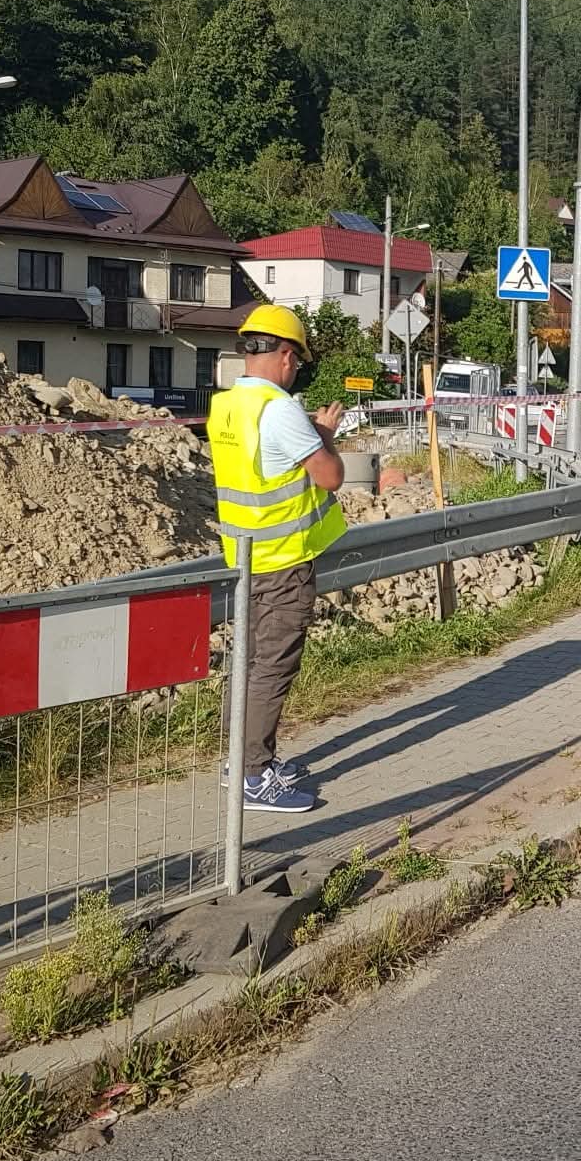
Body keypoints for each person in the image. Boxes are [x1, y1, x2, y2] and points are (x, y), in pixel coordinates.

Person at [208, 305, 350, 813]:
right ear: (287, 356)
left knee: (247, 663)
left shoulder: (226, 406)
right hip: (283, 560)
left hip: (245, 555)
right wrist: (324, 433)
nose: (296, 370)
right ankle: (254, 774)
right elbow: (331, 476)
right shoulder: (280, 409)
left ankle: (239, 761)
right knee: (272, 667)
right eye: (298, 361)